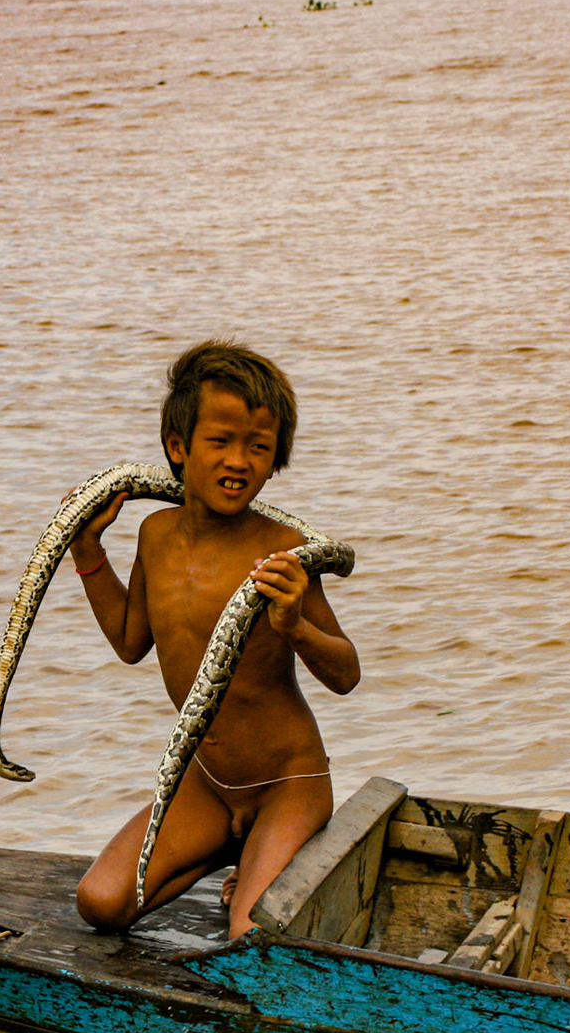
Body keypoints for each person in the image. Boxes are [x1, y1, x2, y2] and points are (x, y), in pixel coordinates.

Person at [71, 340, 360, 939]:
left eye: (259, 447)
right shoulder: (153, 534)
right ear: (178, 448)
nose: (240, 460)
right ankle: (237, 855)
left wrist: (294, 626)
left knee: (248, 937)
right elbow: (131, 643)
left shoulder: (284, 552)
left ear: (276, 457)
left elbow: (346, 674)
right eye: (220, 441)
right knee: (100, 903)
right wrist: (88, 550)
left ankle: (263, 858)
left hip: (288, 784)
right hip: (205, 781)